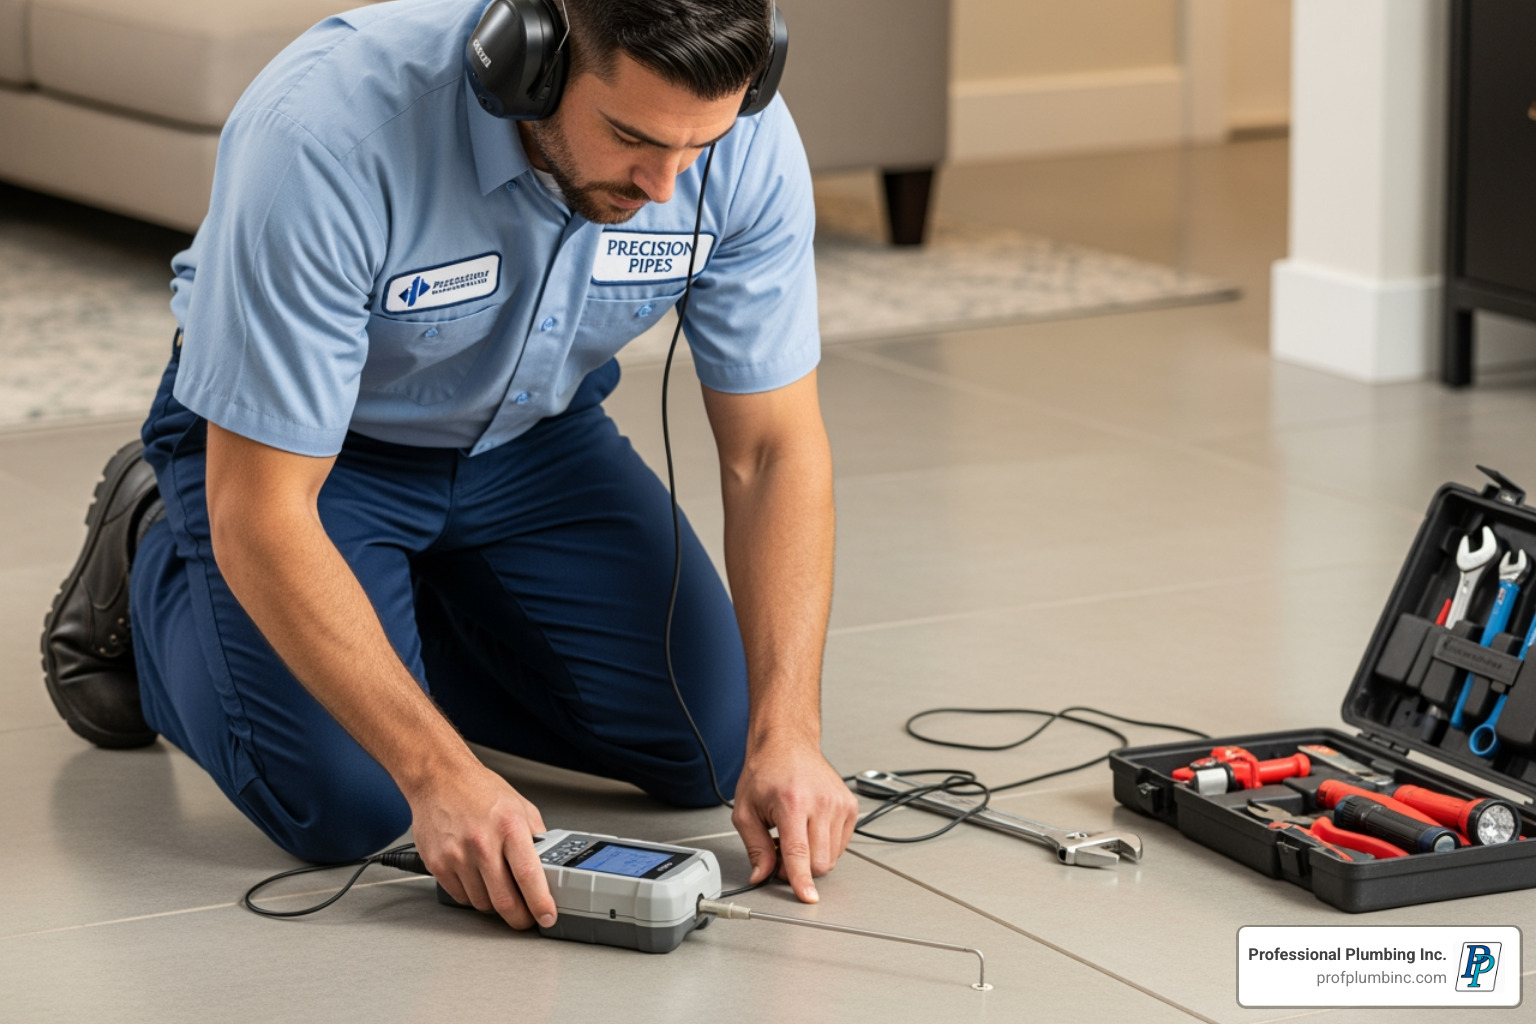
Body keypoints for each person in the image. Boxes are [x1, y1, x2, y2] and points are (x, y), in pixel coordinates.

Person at [40, 0, 857, 932]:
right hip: (304, 461)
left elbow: (771, 449)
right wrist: (438, 772)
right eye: (630, 138)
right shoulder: (323, 134)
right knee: (356, 803)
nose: (668, 185)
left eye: (696, 149)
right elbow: (263, 509)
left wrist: (789, 735)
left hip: (533, 444)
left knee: (712, 745)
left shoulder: (734, 137)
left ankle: (385, 612)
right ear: (531, 60)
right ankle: (158, 541)